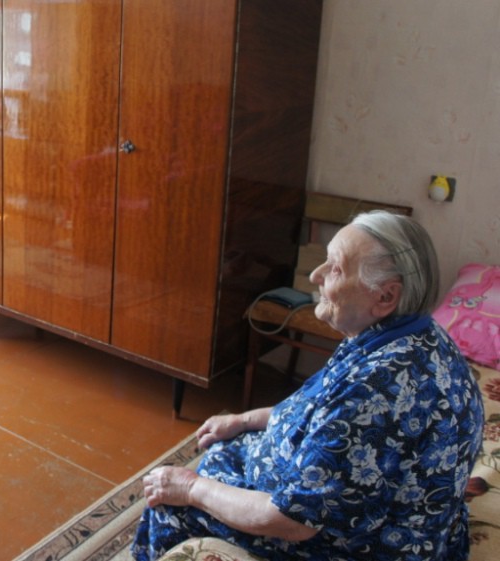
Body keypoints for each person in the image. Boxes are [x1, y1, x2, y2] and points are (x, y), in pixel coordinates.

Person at [132, 210, 484, 561]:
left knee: (168, 507)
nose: (316, 275)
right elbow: (320, 410)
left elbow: (292, 520)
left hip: (362, 547)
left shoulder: (374, 390)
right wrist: (245, 420)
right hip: (366, 510)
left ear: (386, 297)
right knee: (220, 456)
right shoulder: (414, 334)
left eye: (335, 268)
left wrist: (191, 488)